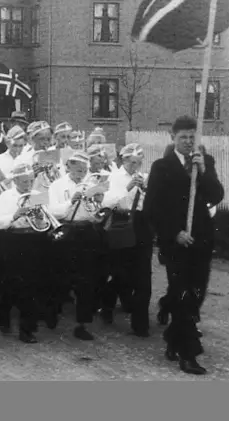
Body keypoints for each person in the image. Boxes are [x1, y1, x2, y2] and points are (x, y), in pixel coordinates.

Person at [144, 115, 224, 376]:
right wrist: (174, 232)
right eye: (183, 138)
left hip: (200, 238)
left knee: (197, 294)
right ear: (173, 138)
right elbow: (152, 209)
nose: (189, 142)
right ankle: (188, 353)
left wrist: (202, 172)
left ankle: (172, 338)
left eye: (192, 137)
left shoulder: (205, 162)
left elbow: (216, 196)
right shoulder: (161, 167)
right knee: (183, 293)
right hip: (176, 242)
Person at [48, 150, 109, 341]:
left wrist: (99, 201)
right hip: (67, 230)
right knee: (61, 277)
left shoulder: (91, 183)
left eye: (84, 170)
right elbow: (51, 210)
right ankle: (52, 313)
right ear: (68, 167)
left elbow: (97, 211)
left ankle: (82, 324)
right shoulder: (57, 185)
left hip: (87, 231)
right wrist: (70, 201)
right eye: (77, 169)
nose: (81, 173)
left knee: (87, 280)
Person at [100, 143, 153, 337]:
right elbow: (106, 202)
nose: (135, 167)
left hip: (141, 224)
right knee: (120, 273)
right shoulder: (113, 177)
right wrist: (127, 188)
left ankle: (141, 324)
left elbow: (152, 203)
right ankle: (107, 305)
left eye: (138, 163)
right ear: (123, 160)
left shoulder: (145, 177)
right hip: (121, 222)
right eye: (132, 163)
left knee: (143, 276)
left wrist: (145, 190)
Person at [0, 162, 44, 343]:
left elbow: (44, 222)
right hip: (12, 240)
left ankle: (27, 329)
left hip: (33, 240)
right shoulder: (6, 196)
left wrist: (39, 217)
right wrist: (16, 214)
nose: (28, 185)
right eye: (24, 182)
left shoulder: (37, 194)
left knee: (32, 286)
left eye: (30, 181)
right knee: (12, 284)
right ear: (15, 180)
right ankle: (3, 316)